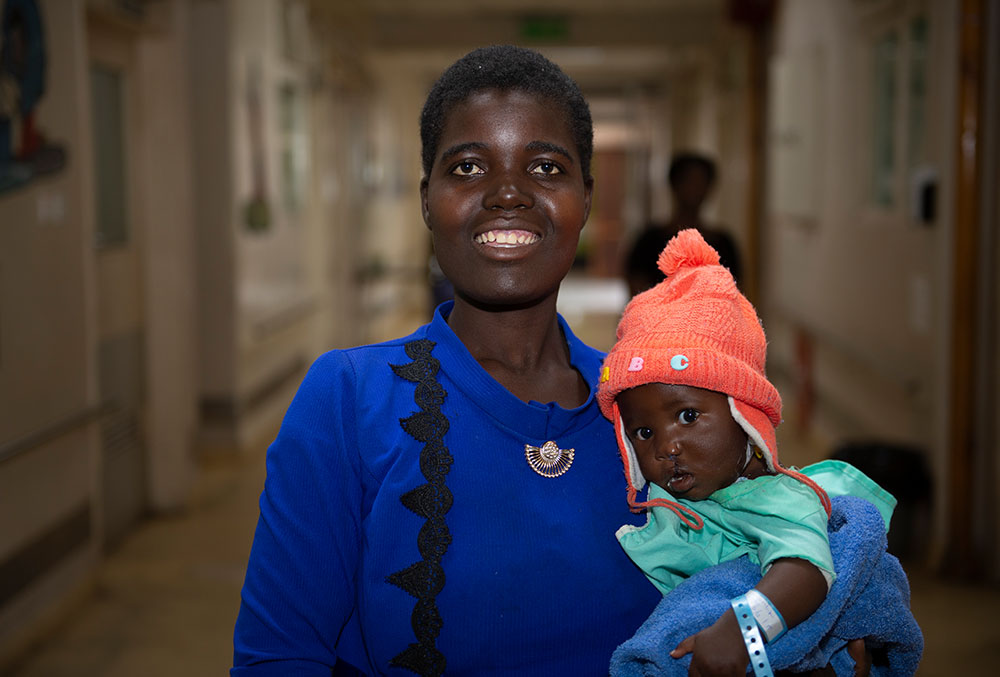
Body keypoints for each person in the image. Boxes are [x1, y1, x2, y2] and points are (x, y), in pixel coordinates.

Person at [231, 45, 662, 676]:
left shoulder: (654, 405)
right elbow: (279, 659)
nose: (508, 193)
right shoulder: (349, 400)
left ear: (585, 199)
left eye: (545, 167)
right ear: (427, 200)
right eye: (467, 168)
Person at [597, 229, 919, 675]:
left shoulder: (776, 497)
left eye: (689, 416)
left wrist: (741, 629)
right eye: (644, 432)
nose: (667, 446)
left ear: (744, 417)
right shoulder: (673, 500)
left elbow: (805, 569)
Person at [623, 153, 742, 297]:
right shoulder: (649, 241)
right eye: (690, 181)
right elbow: (637, 290)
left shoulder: (723, 243)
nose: (695, 189)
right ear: (675, 185)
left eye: (701, 183)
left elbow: (734, 294)